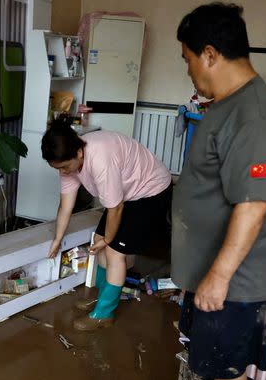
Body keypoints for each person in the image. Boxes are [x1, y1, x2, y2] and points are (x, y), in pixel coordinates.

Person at [143, 3, 266, 380]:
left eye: (186, 58)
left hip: (234, 279)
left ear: (209, 53)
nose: (187, 69)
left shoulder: (256, 118)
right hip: (206, 269)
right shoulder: (227, 106)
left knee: (227, 366)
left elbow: (253, 204)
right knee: (197, 343)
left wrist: (220, 276)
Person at [41, 119, 172, 331]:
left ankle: (104, 314)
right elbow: (66, 205)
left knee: (113, 252)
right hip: (127, 194)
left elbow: (116, 208)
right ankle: (102, 299)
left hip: (151, 191)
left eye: (65, 167)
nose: (64, 172)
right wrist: (57, 239)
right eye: (58, 169)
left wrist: (109, 239)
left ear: (79, 153)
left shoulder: (100, 158)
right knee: (99, 246)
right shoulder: (69, 161)